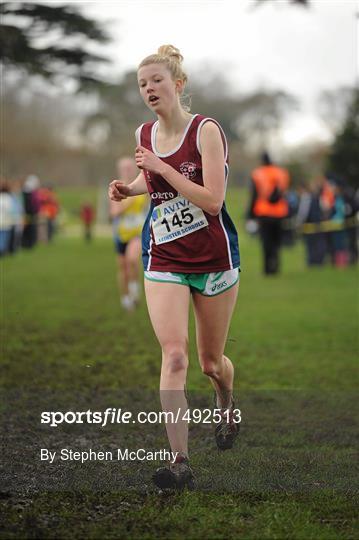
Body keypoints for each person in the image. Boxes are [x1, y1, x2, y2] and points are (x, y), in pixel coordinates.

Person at [108, 45, 240, 490]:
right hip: (164, 256)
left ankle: (225, 402)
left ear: (178, 85)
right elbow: (153, 181)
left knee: (209, 363)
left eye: (157, 81)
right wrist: (128, 189)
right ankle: (179, 460)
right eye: (142, 83)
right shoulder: (144, 133)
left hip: (213, 259)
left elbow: (212, 200)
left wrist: (162, 166)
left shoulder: (206, 131)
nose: (149, 89)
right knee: (176, 354)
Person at [109, 157, 148, 310]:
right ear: (119, 170)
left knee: (133, 259)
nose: (127, 170)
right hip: (120, 234)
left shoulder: (140, 187)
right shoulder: (116, 187)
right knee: (123, 268)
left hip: (137, 233)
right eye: (124, 168)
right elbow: (113, 213)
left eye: (130, 167)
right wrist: (128, 202)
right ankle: (125, 298)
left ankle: (134, 290)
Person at [247, 152, 290, 275]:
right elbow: (285, 193)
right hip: (280, 213)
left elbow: (254, 195)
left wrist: (250, 215)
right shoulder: (282, 173)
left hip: (264, 213)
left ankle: (267, 269)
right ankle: (276, 267)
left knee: (266, 242)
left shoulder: (257, 174)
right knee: (277, 242)